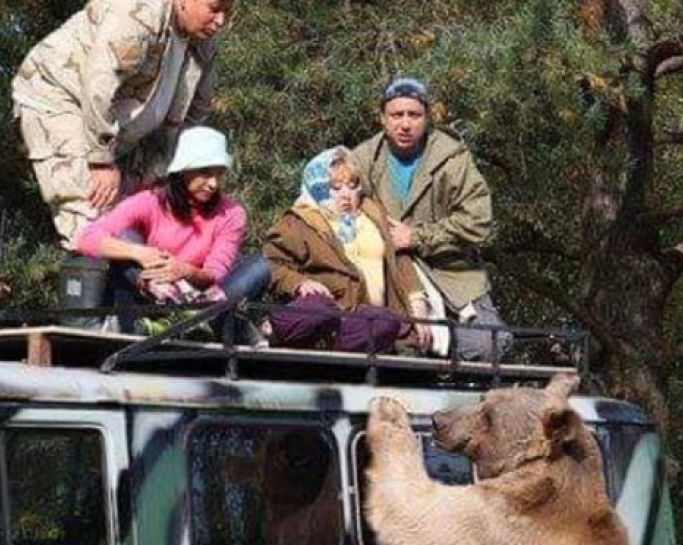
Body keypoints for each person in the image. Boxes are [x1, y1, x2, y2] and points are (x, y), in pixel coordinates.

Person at [12, 0, 234, 323]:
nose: (221, 20)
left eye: (228, 12)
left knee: (134, 215)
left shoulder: (203, 44)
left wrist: (167, 173)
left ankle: (136, 321)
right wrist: (100, 160)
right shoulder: (139, 12)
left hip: (128, 129)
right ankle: (86, 333)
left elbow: (195, 113)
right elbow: (100, 83)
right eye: (214, 8)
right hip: (61, 101)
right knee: (88, 209)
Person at [353, 76, 511, 362]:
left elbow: (477, 220)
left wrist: (416, 237)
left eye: (414, 115)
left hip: (449, 270)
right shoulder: (362, 159)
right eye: (396, 114)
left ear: (427, 118)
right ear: (382, 118)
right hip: (387, 270)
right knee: (388, 341)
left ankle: (449, 359)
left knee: (488, 346)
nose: (405, 123)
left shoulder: (452, 159)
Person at [75, 126, 269, 336]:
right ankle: (175, 314)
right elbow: (86, 239)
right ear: (184, 171)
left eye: (218, 175)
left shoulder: (232, 213)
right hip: (155, 292)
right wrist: (141, 253)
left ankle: (191, 319)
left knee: (261, 266)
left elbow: (216, 273)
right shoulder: (148, 201)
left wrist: (186, 271)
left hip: (207, 297)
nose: (213, 184)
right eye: (205, 173)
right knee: (125, 238)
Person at [262, 146, 432, 354]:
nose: (346, 195)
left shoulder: (374, 214)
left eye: (352, 186)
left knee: (384, 321)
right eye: (336, 187)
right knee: (319, 308)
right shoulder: (298, 222)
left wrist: (416, 300)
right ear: (318, 188)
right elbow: (270, 264)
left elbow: (400, 259)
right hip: (322, 310)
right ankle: (281, 333)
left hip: (356, 318)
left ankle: (332, 352)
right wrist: (300, 283)